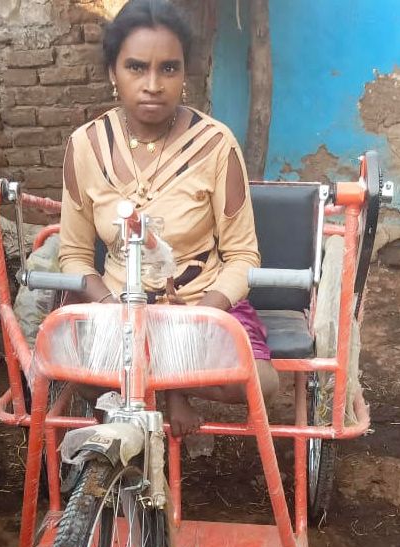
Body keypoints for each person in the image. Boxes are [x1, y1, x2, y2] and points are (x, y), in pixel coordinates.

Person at [59, 0, 279, 437]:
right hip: (119, 309)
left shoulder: (216, 144)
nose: (153, 85)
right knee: (76, 370)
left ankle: (166, 385)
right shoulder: (86, 146)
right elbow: (74, 254)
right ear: (113, 72)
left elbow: (242, 255)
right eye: (136, 67)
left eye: (169, 69)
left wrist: (197, 318)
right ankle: (165, 387)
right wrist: (111, 307)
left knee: (258, 382)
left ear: (184, 75)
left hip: (200, 303)